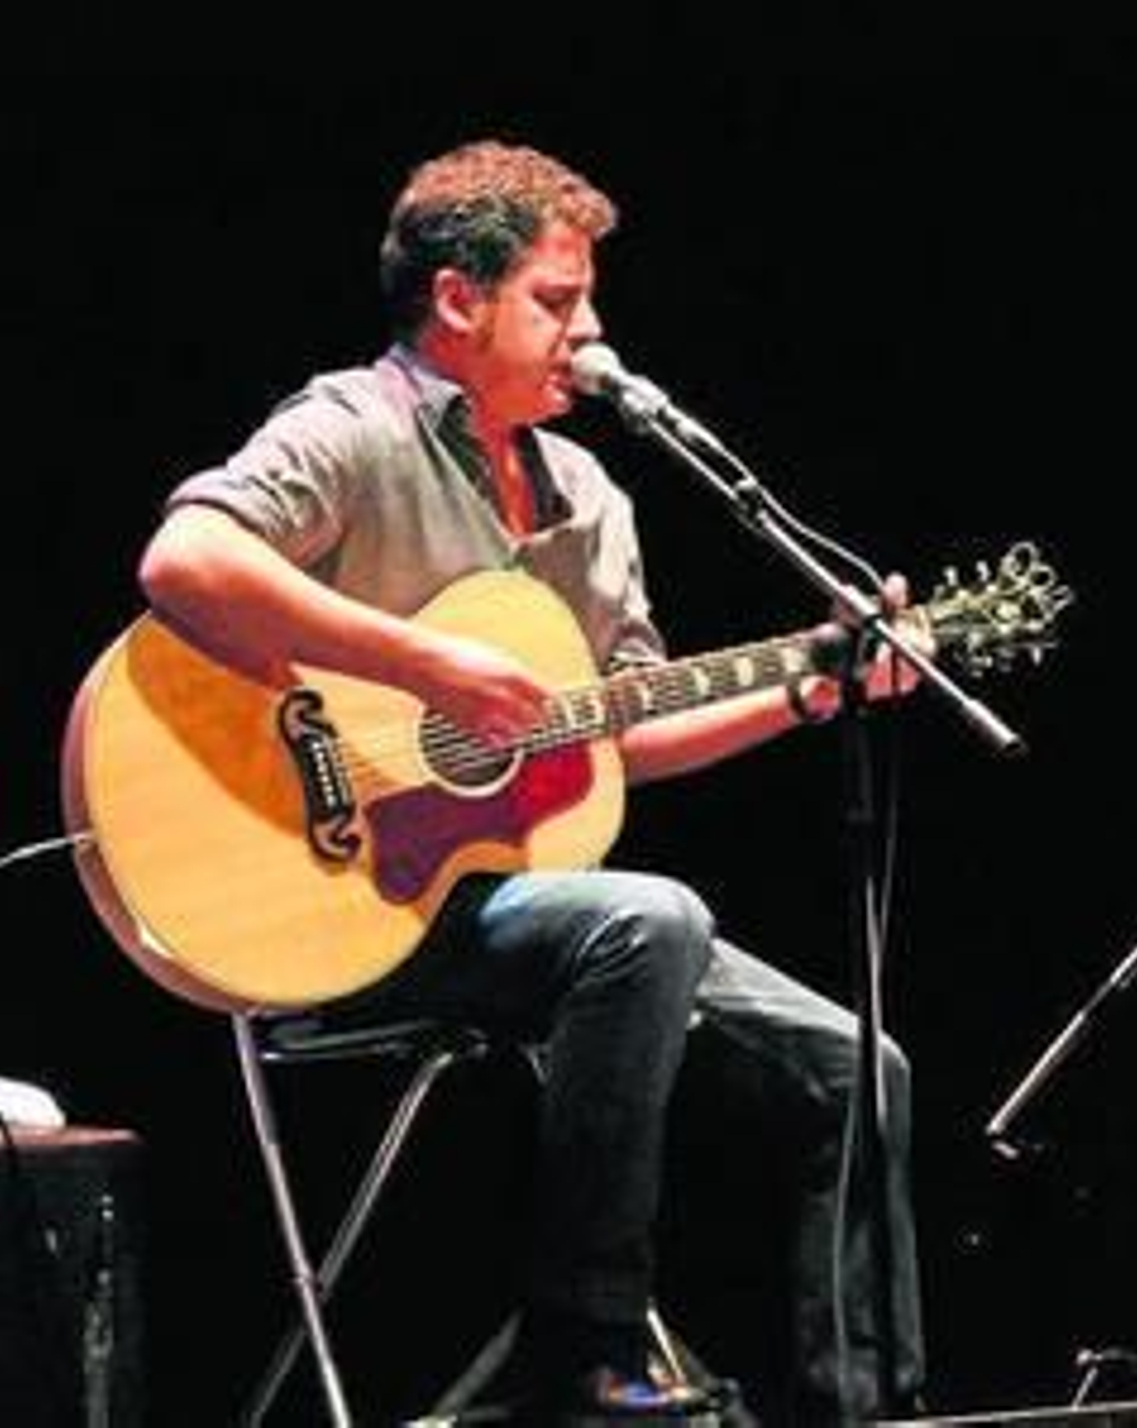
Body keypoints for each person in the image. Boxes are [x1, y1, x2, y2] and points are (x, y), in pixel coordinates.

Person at [135, 137, 927, 1425]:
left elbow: (622, 729)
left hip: (521, 907)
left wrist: (814, 689)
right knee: (649, 915)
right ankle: (585, 1346)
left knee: (859, 1070)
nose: (591, 328)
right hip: (343, 902)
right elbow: (184, 563)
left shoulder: (588, 495)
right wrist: (417, 664)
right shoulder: (353, 427)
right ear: (458, 300)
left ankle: (872, 1408)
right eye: (557, 301)